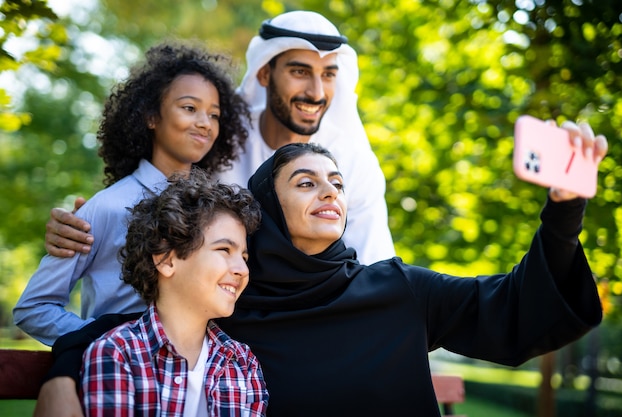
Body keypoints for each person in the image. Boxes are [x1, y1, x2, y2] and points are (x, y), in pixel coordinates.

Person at [37, 122, 607, 416]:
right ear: (267, 208)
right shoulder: (232, 299)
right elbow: (122, 333)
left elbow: (514, 309)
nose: (330, 192)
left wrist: (562, 213)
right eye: (305, 182)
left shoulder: (400, 289)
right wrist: (61, 376)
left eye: (336, 182)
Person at [43, 10, 395, 265]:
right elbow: (147, 199)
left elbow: (373, 258)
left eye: (329, 74)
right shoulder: (217, 138)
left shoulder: (351, 158)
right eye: (300, 72)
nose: (316, 92)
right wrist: (80, 224)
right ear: (263, 72)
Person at [13, 41, 250, 346]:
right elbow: (33, 307)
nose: (205, 124)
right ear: (151, 117)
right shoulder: (106, 208)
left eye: (214, 115)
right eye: (190, 108)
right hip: (118, 381)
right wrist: (107, 343)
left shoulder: (219, 212)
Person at [80, 169, 268, 416]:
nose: (242, 269)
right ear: (167, 261)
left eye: (243, 257)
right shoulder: (117, 354)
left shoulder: (243, 363)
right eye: (224, 250)